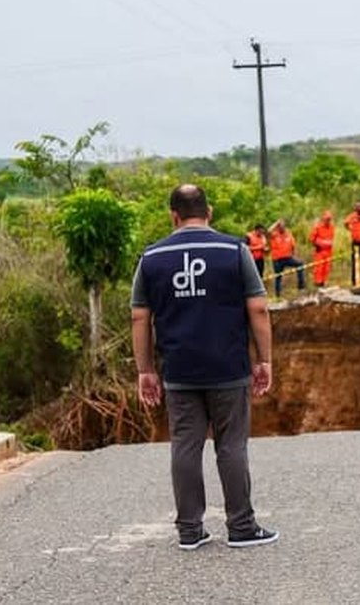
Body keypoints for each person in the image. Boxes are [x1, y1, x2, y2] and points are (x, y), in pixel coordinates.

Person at [131, 184, 278, 551]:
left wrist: (145, 370)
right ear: (208, 212)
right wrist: (264, 360)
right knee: (231, 446)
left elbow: (139, 317)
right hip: (228, 367)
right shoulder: (234, 250)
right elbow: (258, 308)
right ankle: (242, 527)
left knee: (185, 445)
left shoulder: (150, 258)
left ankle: (190, 531)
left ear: (173, 215)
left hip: (179, 370)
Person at [270, 220, 305, 298]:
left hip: (288, 257)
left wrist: (294, 254)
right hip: (277, 260)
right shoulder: (274, 234)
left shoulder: (288, 234)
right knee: (278, 277)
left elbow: (293, 245)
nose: (282, 229)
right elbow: (267, 232)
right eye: (280, 227)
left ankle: (301, 287)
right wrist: (275, 223)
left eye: (283, 227)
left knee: (300, 264)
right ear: (278, 228)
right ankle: (277, 295)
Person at [309, 211, 335, 289]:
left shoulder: (332, 227)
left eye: (329, 219)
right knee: (319, 268)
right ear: (323, 219)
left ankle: (324, 282)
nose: (328, 221)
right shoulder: (318, 227)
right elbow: (311, 238)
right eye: (327, 219)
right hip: (320, 251)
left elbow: (331, 238)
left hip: (328, 251)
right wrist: (316, 245)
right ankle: (318, 283)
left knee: (327, 268)